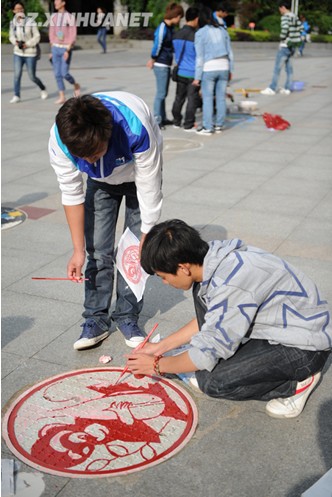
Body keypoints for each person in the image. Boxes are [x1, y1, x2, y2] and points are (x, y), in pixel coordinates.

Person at [127, 219, 331, 419]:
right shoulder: (212, 259)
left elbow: (205, 354)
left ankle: (295, 385)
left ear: (183, 268)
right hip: (282, 330)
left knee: (213, 382)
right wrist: (160, 347)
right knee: (200, 362)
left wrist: (156, 365)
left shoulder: (231, 283)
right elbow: (211, 318)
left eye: (163, 276)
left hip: (304, 347)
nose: (164, 283)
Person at [48, 92, 163, 350]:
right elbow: (71, 192)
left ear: (107, 134)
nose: (90, 161)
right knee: (97, 251)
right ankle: (95, 319)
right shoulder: (61, 137)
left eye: (95, 153)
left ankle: (127, 316)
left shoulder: (136, 128)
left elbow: (150, 185)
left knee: (135, 251)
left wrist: (148, 233)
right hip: (100, 185)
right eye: (84, 158)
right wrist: (77, 251)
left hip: (137, 177)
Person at [193, 6, 233, 135]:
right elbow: (230, 52)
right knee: (221, 97)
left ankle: (207, 127)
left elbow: (199, 57)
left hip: (209, 67)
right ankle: (219, 125)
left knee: (208, 98)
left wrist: (197, 76)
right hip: (224, 66)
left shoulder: (200, 33)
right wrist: (230, 69)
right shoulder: (223, 30)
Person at [147, 2, 184, 129]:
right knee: (161, 94)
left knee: (164, 93)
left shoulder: (170, 28)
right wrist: (152, 58)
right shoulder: (162, 28)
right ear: (175, 16)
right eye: (180, 17)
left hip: (166, 63)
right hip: (161, 64)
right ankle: (157, 120)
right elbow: (157, 45)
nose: (179, 20)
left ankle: (163, 117)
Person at [9, 1, 48, 103]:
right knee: (17, 75)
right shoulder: (12, 23)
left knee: (32, 76)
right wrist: (16, 42)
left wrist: (27, 44)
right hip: (18, 52)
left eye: (21, 8)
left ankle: (43, 88)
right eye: (17, 9)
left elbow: (37, 36)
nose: (19, 10)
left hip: (30, 53)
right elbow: (11, 36)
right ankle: (16, 95)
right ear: (13, 11)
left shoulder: (31, 21)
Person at [261, 0, 302, 96]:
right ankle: (287, 89)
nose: (279, 11)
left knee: (277, 69)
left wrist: (282, 37)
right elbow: (300, 28)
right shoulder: (295, 16)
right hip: (293, 45)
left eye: (280, 8)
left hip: (285, 45)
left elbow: (285, 29)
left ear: (283, 7)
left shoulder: (285, 17)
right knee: (289, 69)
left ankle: (272, 88)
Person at [172, 6, 200, 131]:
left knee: (179, 98)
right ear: (196, 19)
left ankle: (176, 121)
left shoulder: (176, 34)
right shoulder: (196, 36)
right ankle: (188, 124)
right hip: (192, 73)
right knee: (192, 99)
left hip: (180, 72)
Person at [49, 0, 80, 104]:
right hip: (55, 48)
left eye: (57, 1)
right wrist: (52, 48)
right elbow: (51, 32)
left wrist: (68, 49)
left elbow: (73, 34)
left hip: (66, 48)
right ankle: (62, 96)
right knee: (57, 74)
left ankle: (75, 84)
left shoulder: (70, 17)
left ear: (63, 3)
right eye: (55, 2)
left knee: (64, 73)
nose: (55, 3)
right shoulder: (53, 17)